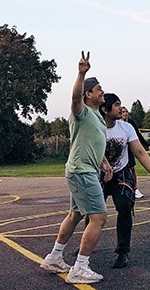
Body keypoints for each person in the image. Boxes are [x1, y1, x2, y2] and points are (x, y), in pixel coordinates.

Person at [40, 51, 111, 284]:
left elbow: (91, 142)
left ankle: (54, 258)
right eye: (99, 89)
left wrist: (104, 162)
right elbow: (74, 99)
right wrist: (81, 74)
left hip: (84, 170)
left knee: (76, 213)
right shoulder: (81, 111)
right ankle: (80, 267)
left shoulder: (97, 116)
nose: (102, 92)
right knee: (99, 217)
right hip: (82, 172)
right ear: (88, 94)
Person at [99, 94, 150, 268]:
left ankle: (123, 251)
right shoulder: (95, 127)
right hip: (98, 175)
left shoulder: (126, 127)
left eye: (120, 104)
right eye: (116, 105)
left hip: (120, 174)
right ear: (105, 109)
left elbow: (140, 152)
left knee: (124, 207)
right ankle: (87, 243)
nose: (120, 108)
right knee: (93, 211)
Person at [121, 106, 150, 199]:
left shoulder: (130, 123)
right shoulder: (116, 123)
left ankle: (135, 189)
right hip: (121, 150)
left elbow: (138, 135)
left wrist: (147, 145)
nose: (125, 113)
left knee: (132, 169)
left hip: (130, 148)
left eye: (126, 111)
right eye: (123, 112)